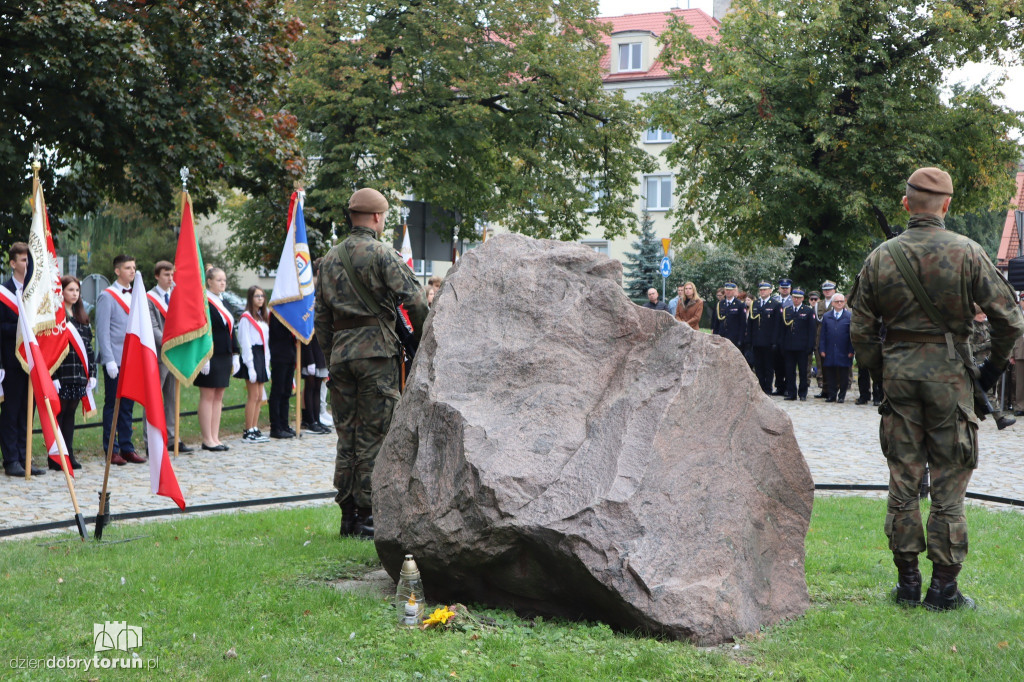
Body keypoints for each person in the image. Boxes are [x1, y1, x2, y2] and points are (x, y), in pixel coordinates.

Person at [849, 166, 1024, 611]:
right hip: (951, 380)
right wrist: (990, 371)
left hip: (900, 379)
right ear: (946, 206)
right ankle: (944, 589)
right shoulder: (968, 252)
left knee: (903, 482)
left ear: (906, 204)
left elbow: (861, 331)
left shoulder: (881, 257)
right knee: (949, 487)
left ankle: (908, 583)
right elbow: (1010, 319)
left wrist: (880, 373)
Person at [314, 187, 428, 539]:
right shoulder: (382, 254)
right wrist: (423, 342)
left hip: (341, 356)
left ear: (352, 216)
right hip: (377, 356)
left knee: (346, 436)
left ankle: (347, 516)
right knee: (374, 436)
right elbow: (416, 301)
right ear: (377, 218)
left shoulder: (331, 258)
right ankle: (367, 517)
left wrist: (333, 353)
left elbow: (320, 318)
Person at [1, 243, 47, 477]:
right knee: (11, 411)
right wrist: (21, 327)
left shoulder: (34, 291)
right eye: (21, 260)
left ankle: (24, 456)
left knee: (28, 411)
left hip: (32, 361)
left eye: (28, 260)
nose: (26, 264)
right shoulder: (3, 292)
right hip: (10, 361)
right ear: (12, 263)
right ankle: (11, 460)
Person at [96, 254, 145, 465]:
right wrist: (108, 359)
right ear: (117, 271)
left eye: (134, 267)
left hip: (132, 358)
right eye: (127, 267)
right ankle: (111, 449)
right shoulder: (107, 296)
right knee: (113, 405)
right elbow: (102, 330)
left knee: (127, 406)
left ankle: (127, 447)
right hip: (115, 359)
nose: (132, 271)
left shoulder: (136, 294)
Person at [51, 275, 96, 470]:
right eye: (70, 290)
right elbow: (50, 349)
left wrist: (92, 373)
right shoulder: (56, 318)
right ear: (61, 292)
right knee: (59, 415)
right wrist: (52, 376)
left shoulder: (82, 319)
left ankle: (68, 453)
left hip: (79, 375)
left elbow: (89, 349)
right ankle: (55, 456)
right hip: (62, 374)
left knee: (71, 414)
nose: (74, 294)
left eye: (77, 290)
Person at [147, 261, 192, 453]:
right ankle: (151, 441)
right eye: (166, 275)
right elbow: (153, 328)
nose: (170, 278)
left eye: (172, 275)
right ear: (157, 276)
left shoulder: (176, 297)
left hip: (175, 355)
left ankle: (173, 438)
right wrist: (168, 344)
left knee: (173, 399)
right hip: (158, 355)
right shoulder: (149, 298)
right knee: (154, 399)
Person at [195, 267, 239, 451]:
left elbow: (231, 330)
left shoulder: (224, 302)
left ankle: (215, 436)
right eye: (219, 280)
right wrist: (203, 357)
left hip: (224, 354)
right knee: (208, 395)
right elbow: (201, 329)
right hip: (209, 355)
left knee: (219, 395)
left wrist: (236, 353)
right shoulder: (204, 302)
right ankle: (207, 439)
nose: (222, 283)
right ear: (209, 282)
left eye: (224, 280)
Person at [235, 286, 271, 443]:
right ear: (250, 298)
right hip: (251, 356)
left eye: (262, 296)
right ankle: (248, 429)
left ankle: (255, 427)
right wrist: (250, 366)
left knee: (259, 396)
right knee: (253, 395)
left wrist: (267, 363)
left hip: (262, 356)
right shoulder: (245, 318)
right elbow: (245, 342)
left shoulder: (262, 317)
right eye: (257, 296)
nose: (260, 299)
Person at [301, 258, 331, 435]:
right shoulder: (309, 291)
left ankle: (317, 419)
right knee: (311, 385)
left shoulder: (323, 290)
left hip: (321, 344)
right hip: (310, 345)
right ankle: (309, 419)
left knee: (318, 385)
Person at [778, 288, 817, 401]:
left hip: (802, 347)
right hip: (789, 346)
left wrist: (810, 346)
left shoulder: (808, 311)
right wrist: (782, 344)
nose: (796, 299)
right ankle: (791, 393)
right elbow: (783, 330)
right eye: (794, 297)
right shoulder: (787, 310)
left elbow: (812, 330)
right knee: (789, 371)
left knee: (803, 371)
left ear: (802, 298)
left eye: (798, 298)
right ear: (792, 298)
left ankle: (803, 393)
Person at [748, 282, 782, 394]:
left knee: (768, 366)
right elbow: (751, 323)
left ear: (770, 291)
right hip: (757, 340)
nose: (762, 292)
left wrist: (775, 341)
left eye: (765, 290)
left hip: (769, 341)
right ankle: (760, 387)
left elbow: (777, 325)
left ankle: (768, 388)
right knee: (758, 366)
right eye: (761, 290)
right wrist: (750, 339)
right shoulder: (755, 304)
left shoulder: (775, 305)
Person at [267, 313, 297, 439]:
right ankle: (276, 426)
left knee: (286, 392)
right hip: (279, 355)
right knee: (278, 391)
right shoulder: (277, 312)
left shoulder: (290, 311)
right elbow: (278, 333)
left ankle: (284, 424)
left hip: (290, 355)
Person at [820, 293, 853, 402]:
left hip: (844, 350)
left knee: (843, 375)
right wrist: (822, 349)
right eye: (837, 301)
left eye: (841, 301)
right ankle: (832, 395)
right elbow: (823, 335)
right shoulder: (826, 316)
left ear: (844, 303)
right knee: (830, 374)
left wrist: (851, 350)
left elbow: (851, 336)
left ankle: (842, 396)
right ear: (833, 303)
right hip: (830, 349)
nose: (839, 303)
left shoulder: (849, 316)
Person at [712, 282, 746, 350]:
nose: (728, 292)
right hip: (722, 336)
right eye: (727, 290)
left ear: (734, 291)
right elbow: (716, 323)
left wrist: (741, 339)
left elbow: (743, 324)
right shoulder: (720, 304)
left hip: (734, 337)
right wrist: (715, 336)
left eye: (730, 290)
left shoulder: (740, 304)